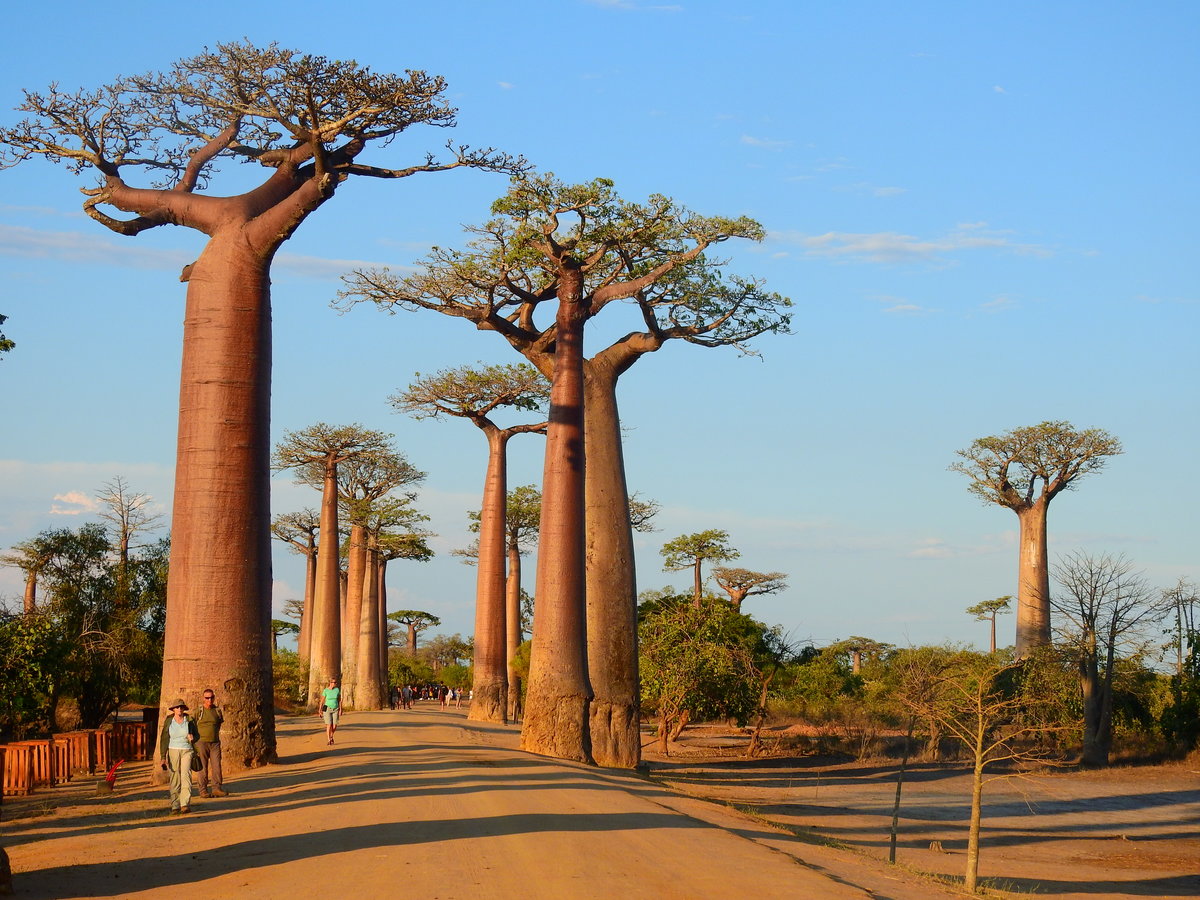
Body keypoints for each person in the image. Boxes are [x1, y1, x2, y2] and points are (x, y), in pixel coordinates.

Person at [158, 698, 199, 814]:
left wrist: (193, 738)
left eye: (181, 707)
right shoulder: (169, 721)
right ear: (173, 709)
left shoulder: (189, 720)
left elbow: (197, 735)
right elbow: (164, 738)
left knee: (186, 776)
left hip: (187, 750)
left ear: (184, 709)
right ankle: (175, 805)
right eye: (177, 707)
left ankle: (184, 804)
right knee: (175, 776)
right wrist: (162, 756)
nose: (179, 709)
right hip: (173, 750)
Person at [194, 688, 227, 798]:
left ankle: (216, 788)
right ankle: (203, 790)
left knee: (216, 766)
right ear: (203, 698)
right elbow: (192, 723)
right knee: (203, 767)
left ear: (214, 697)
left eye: (211, 697)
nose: (209, 700)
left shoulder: (217, 711)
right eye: (207, 698)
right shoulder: (199, 711)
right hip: (201, 742)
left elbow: (219, 723)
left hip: (215, 743)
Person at [319, 677, 341, 745]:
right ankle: (329, 739)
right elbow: (322, 700)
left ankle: (331, 736)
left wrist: (341, 709)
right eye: (334, 682)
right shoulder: (326, 690)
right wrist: (320, 709)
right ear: (330, 683)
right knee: (329, 724)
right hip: (327, 708)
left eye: (335, 682)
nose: (335, 684)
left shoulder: (337, 690)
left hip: (335, 708)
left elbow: (339, 700)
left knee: (334, 725)